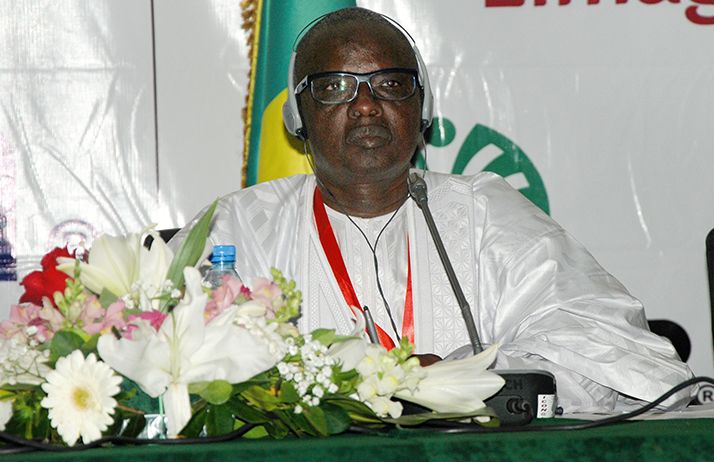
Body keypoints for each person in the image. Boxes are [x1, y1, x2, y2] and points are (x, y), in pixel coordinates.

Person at [171, 7, 694, 413]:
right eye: (335, 87)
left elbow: (625, 357)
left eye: (391, 84)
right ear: (298, 117)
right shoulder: (238, 227)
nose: (366, 104)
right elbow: (168, 362)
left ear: (421, 109)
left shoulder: (486, 213)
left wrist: (455, 379)